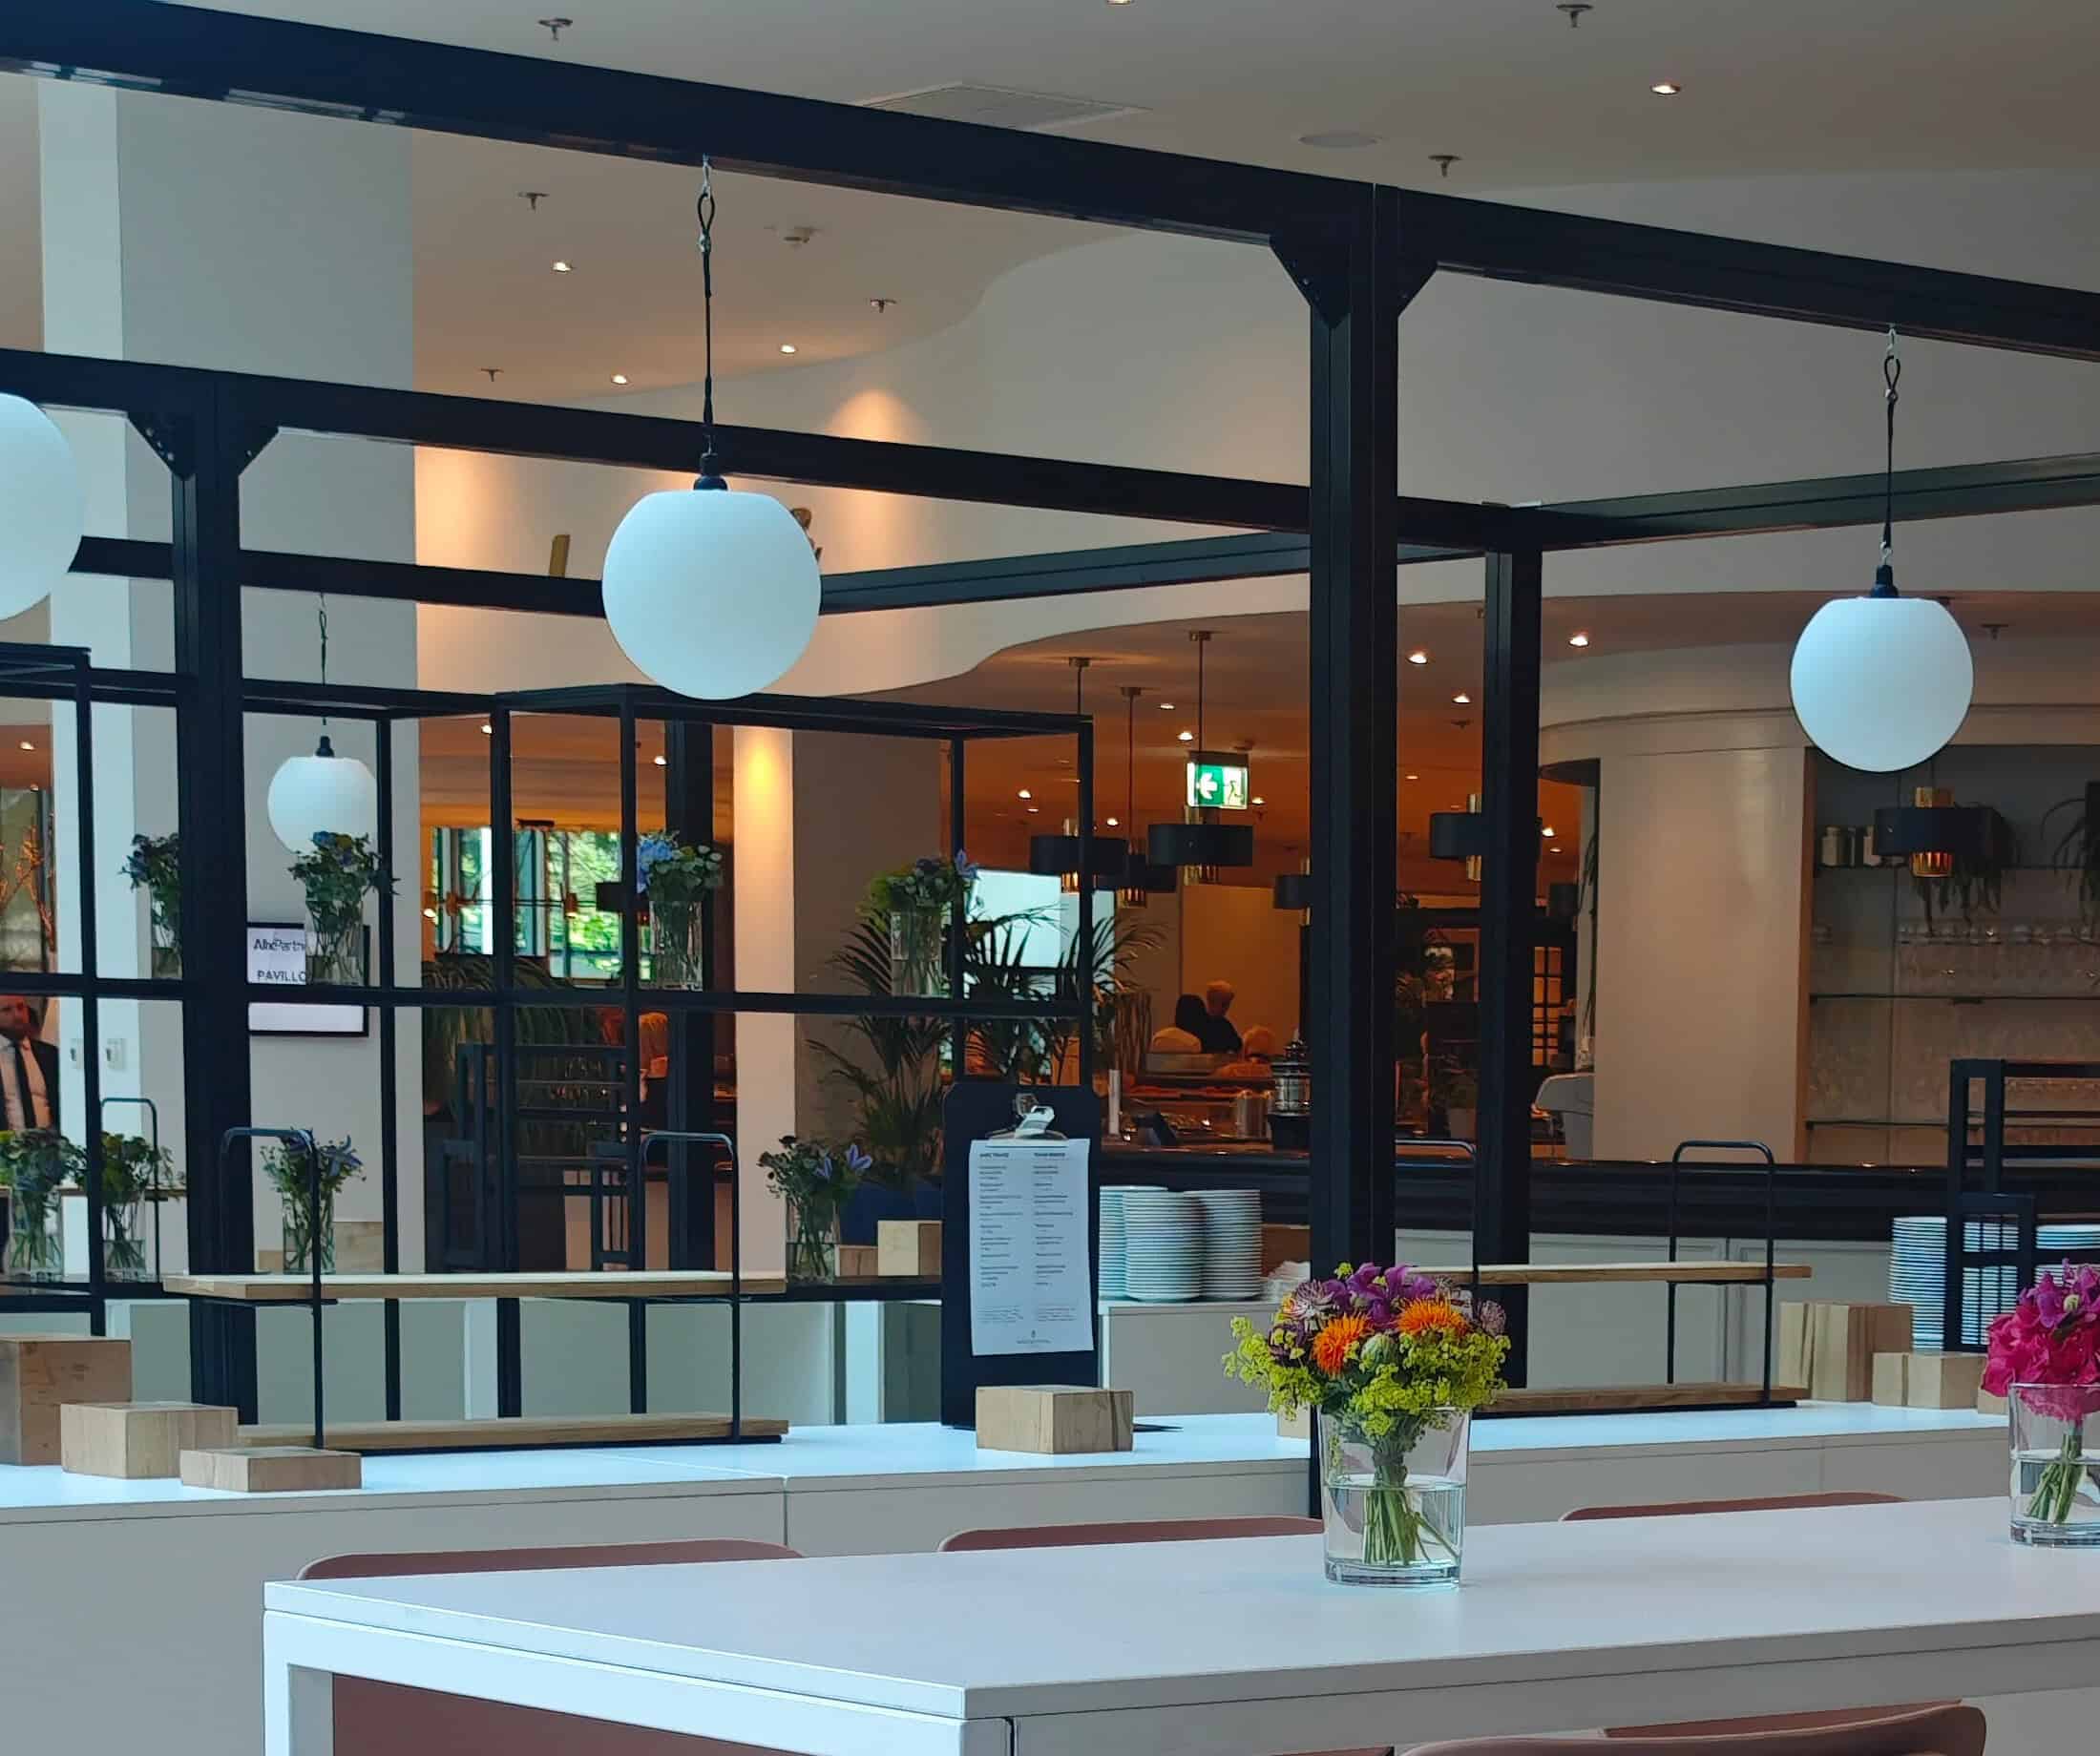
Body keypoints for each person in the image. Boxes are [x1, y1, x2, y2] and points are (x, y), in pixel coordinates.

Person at [0, 994, 58, 1131]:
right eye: (7, 1010)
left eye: (21, 1007)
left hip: (48, 1141)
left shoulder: (49, 1054)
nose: (17, 1016)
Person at [1195, 979, 1243, 1056]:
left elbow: (1238, 1048)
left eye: (1228, 1004)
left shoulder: (1226, 1025)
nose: (1226, 1008)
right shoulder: (1198, 1024)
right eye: (1224, 1004)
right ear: (1211, 1001)